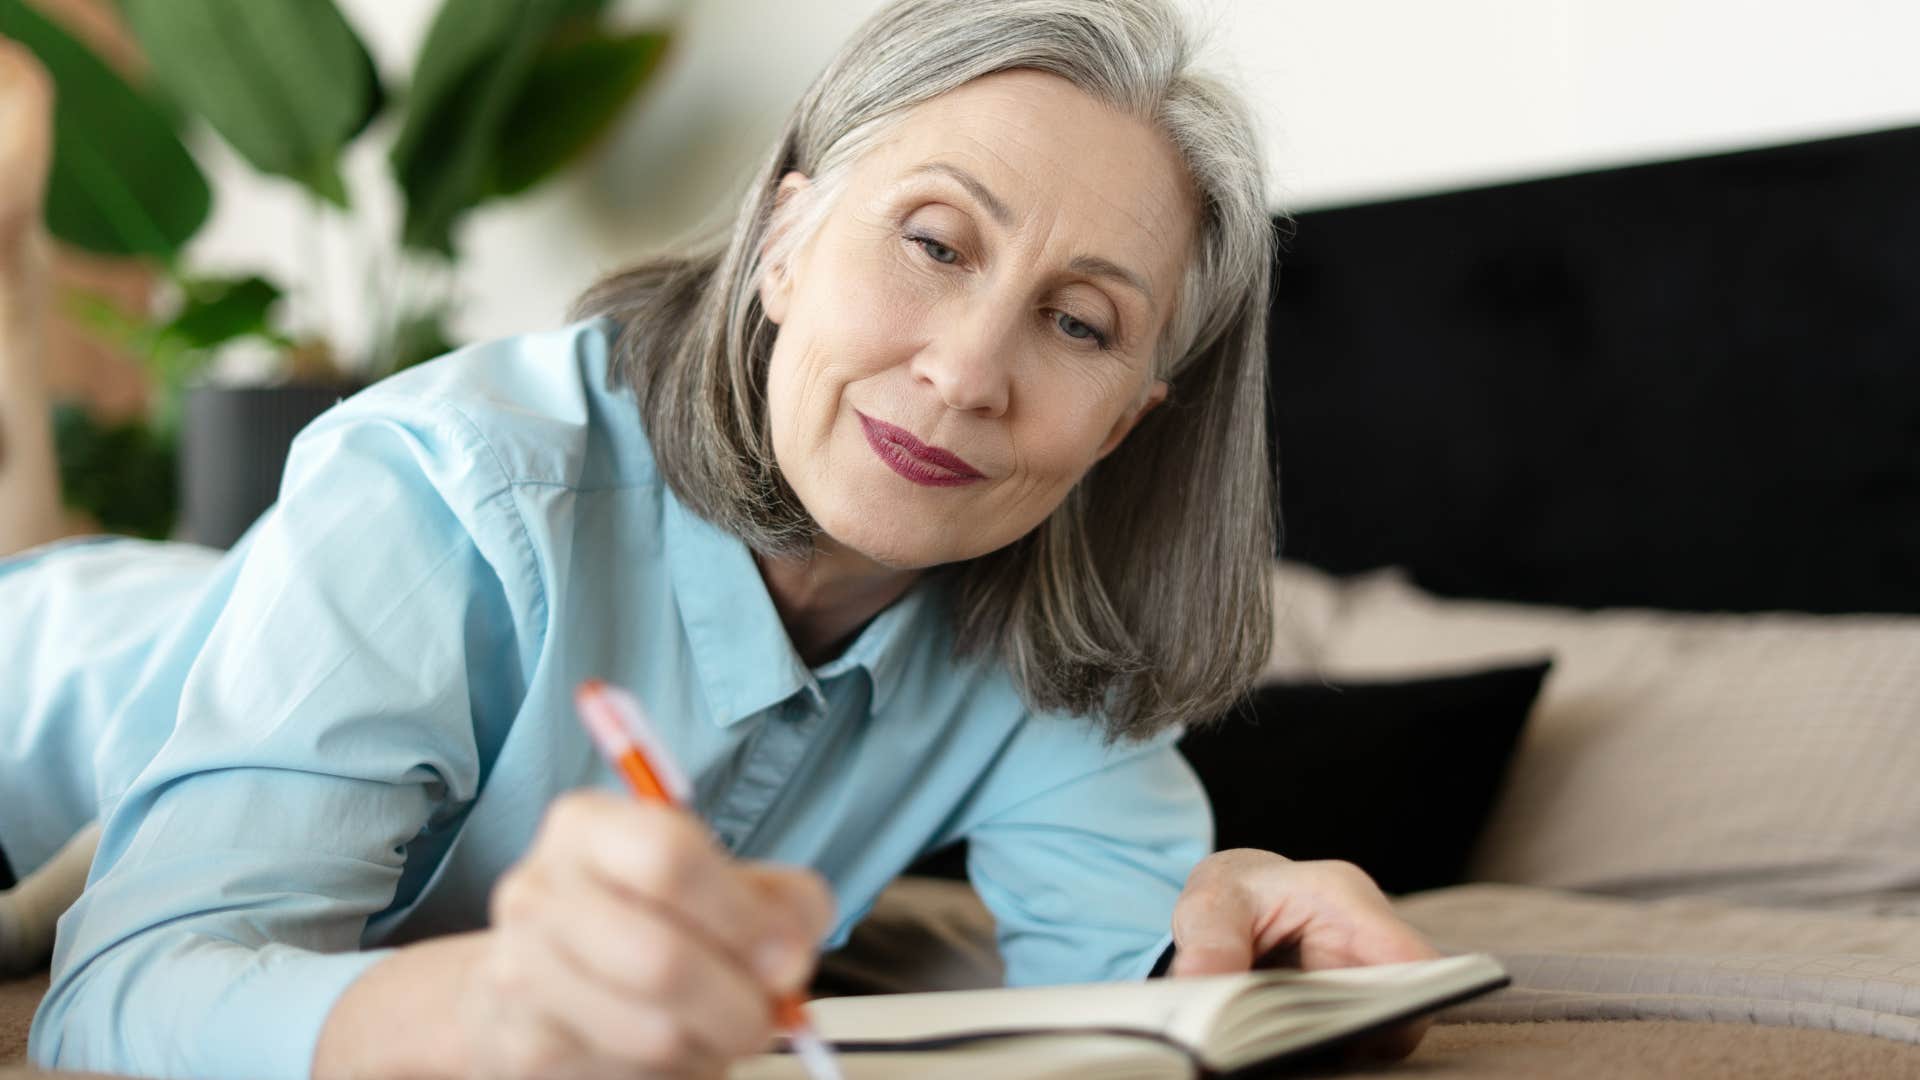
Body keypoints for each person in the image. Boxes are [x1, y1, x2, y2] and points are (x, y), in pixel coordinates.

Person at [0, 2, 1440, 1077]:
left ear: (1125, 422)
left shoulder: (1039, 628)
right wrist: (492, 1010)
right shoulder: (449, 489)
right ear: (785, 242)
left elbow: (1126, 994)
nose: (965, 372)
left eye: (1080, 323)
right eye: (934, 242)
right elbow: (112, 1003)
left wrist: (1250, 942)